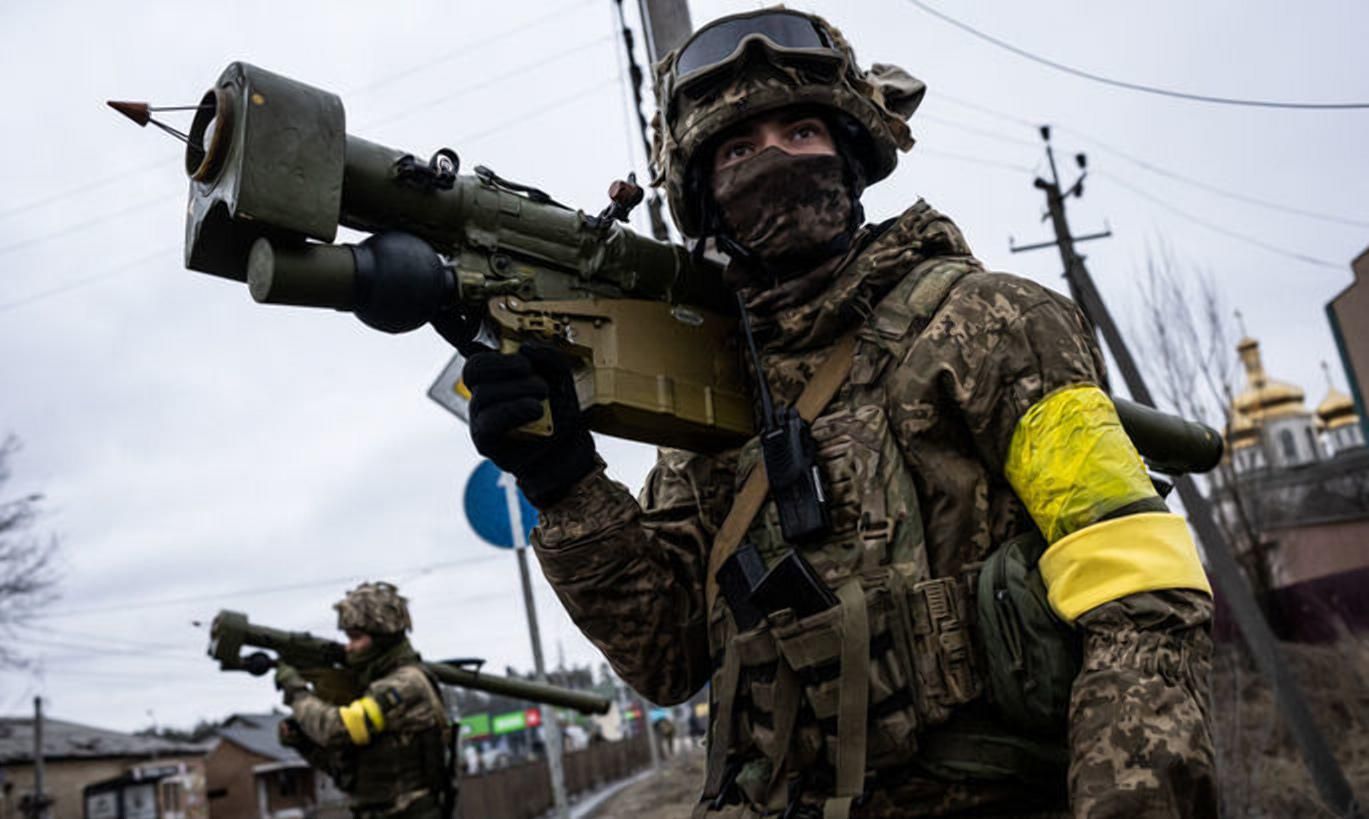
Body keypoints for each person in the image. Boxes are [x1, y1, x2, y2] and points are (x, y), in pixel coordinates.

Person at [460, 8, 1216, 817]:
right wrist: (564, 482)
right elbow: (668, 654)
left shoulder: (991, 323)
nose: (772, 160)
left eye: (800, 132)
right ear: (703, 195)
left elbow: (1137, 590)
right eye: (737, 149)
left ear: (851, 154)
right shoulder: (714, 399)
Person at [274, 582, 454, 819]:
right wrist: (304, 744)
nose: (349, 647)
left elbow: (337, 729)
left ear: (383, 639)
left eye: (356, 638)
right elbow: (351, 773)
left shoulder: (406, 684)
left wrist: (296, 693)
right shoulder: (375, 686)